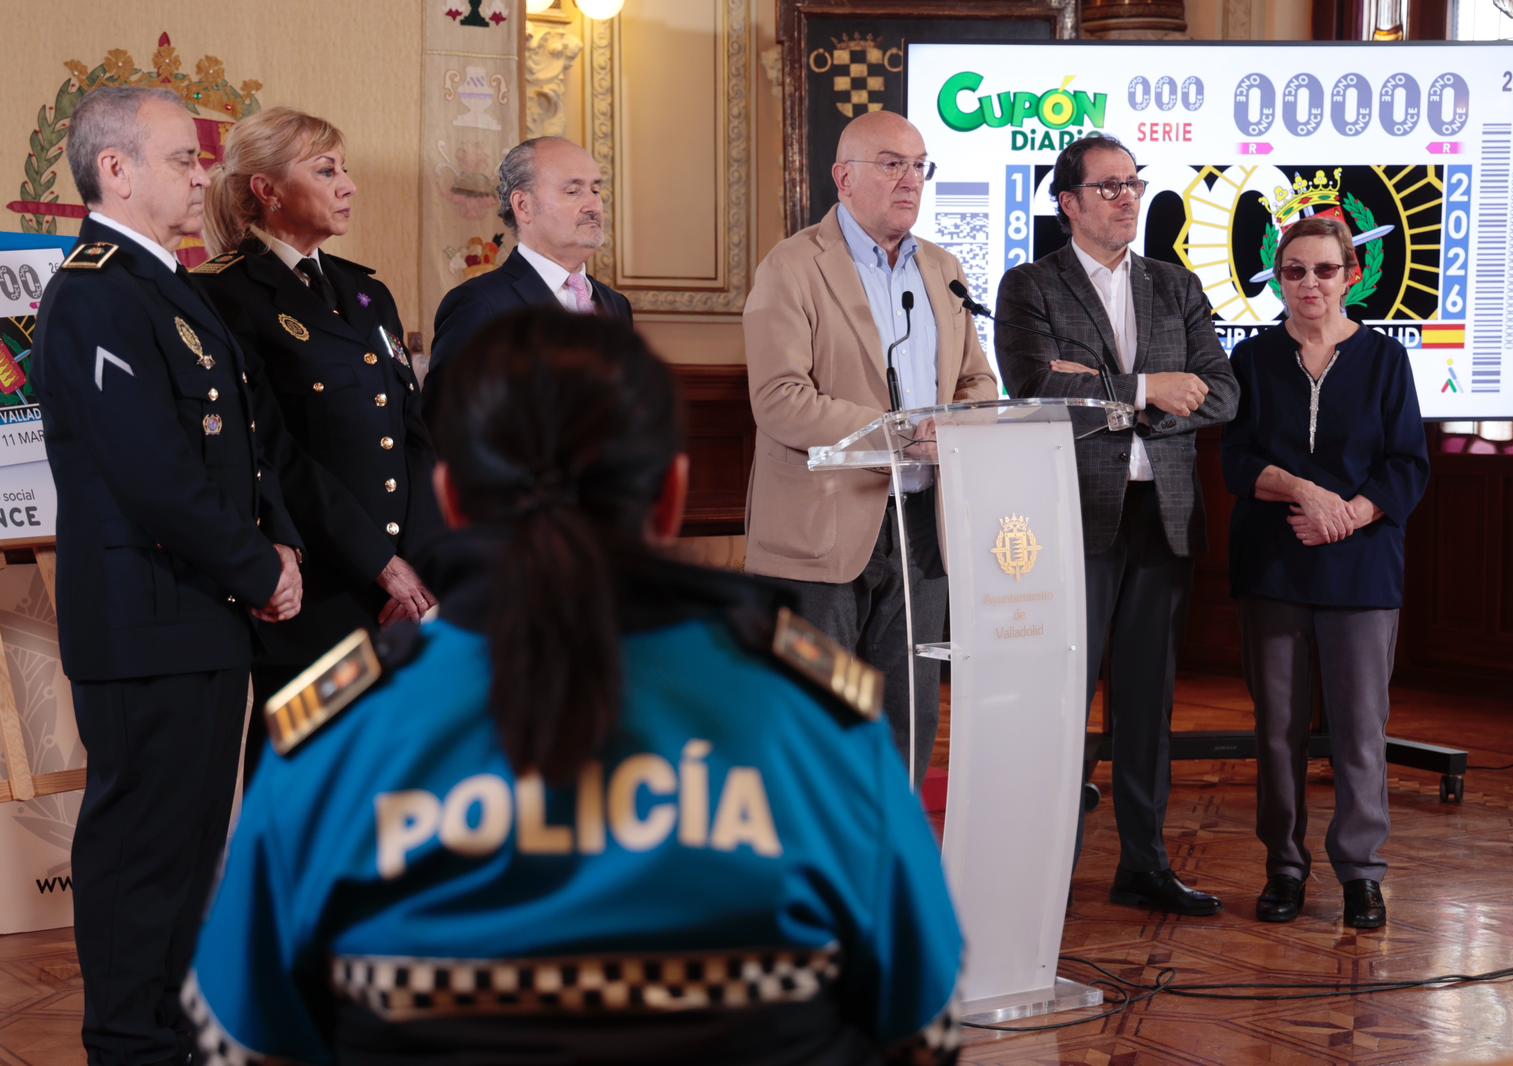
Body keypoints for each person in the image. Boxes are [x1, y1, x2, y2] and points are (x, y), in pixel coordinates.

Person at [183, 308, 964, 1065]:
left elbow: (244, 1036)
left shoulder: (339, 732)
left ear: (452, 500)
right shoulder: (812, 714)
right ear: (671, 496)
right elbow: (919, 1027)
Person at [32, 86, 304, 1063]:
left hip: (200, 611)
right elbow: (152, 471)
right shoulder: (95, 291)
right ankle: (127, 1044)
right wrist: (258, 568)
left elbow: (242, 444)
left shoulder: (167, 285)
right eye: (184, 159)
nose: (202, 176)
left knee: (190, 849)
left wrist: (280, 546)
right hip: (144, 617)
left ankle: (173, 1034)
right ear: (116, 170)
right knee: (142, 850)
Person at [994, 133, 1238, 916]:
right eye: (1109, 186)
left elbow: (1222, 391)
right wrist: (1146, 389)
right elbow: (1037, 387)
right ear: (1068, 203)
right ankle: (1044, 873)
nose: (1127, 197)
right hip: (1073, 518)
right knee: (1060, 702)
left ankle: (1144, 866)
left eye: (1133, 183)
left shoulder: (1175, 283)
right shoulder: (1031, 285)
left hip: (1162, 518)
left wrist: (1116, 392)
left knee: (1146, 704)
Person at [742, 110, 997, 786]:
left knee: (907, 718)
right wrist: (904, 431)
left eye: (919, 166)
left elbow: (976, 381)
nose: (910, 180)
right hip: (818, 535)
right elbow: (780, 399)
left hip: (922, 528)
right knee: (814, 720)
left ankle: (891, 846)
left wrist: (955, 427)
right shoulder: (792, 266)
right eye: (891, 164)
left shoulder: (941, 268)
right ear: (844, 177)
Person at [192, 107, 442, 773]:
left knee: (385, 785)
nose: (348, 185)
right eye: (326, 170)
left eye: (345, 169)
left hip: (398, 595)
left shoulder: (367, 294)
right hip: (316, 593)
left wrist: (417, 568)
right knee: (303, 780)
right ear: (268, 190)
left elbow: (413, 435)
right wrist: (379, 562)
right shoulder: (224, 294)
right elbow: (271, 451)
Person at [1220, 216, 1428, 929]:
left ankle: (1361, 874)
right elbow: (1236, 461)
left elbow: (1408, 464)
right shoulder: (1251, 358)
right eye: (1295, 271)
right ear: (1279, 279)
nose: (1310, 283)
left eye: (1325, 270)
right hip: (1273, 566)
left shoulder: (1385, 359)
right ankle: (1284, 868)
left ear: (1351, 276)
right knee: (1277, 730)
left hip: (1362, 571)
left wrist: (1347, 515)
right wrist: (1304, 492)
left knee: (1360, 731)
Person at [427, 136, 632, 414]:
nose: (593, 206)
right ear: (523, 206)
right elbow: (446, 421)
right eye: (573, 191)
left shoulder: (615, 304)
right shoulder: (479, 305)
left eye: (596, 191)